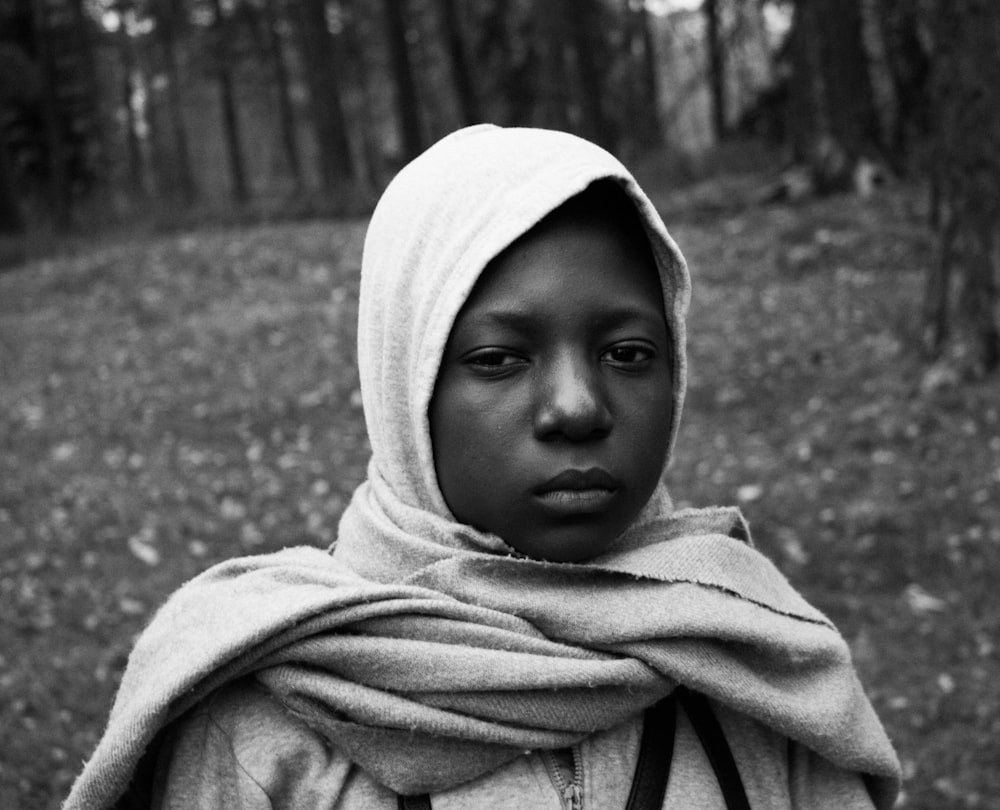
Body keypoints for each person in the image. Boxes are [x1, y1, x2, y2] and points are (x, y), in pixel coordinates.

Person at [64, 125, 900, 810]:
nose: (578, 407)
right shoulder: (265, 721)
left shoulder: (757, 669)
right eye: (500, 358)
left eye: (628, 351)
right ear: (406, 383)